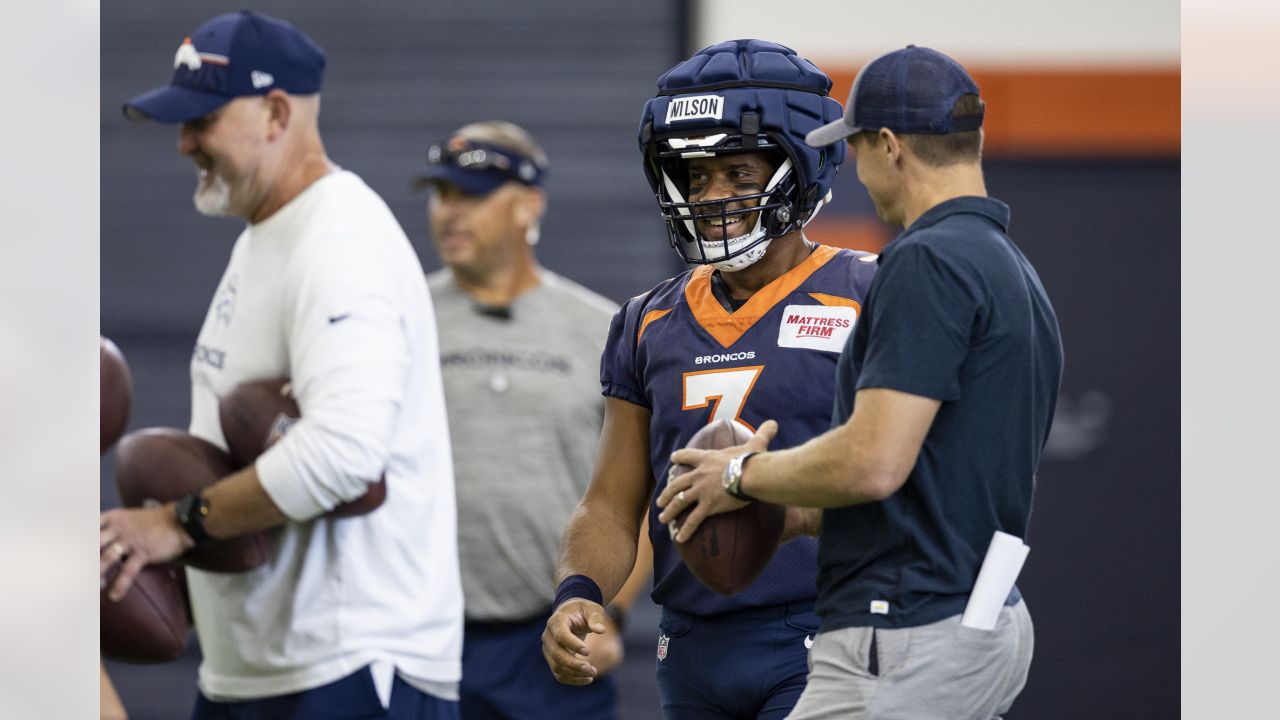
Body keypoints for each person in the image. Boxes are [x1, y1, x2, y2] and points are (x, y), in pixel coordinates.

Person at [658, 45, 1064, 719]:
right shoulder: (1010, 266)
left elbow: (874, 462)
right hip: (981, 612)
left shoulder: (924, 259)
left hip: (906, 627)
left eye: (855, 148)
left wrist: (739, 475)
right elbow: (940, 477)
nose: (852, 167)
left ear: (888, 145)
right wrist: (795, 515)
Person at [97, 11, 463, 719]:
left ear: (275, 112)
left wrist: (178, 521)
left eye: (201, 120)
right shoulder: (267, 237)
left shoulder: (341, 242)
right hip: (259, 673)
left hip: (350, 666)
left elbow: (345, 454)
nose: (183, 144)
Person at [541, 40, 878, 719]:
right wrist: (579, 590)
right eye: (696, 178)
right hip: (693, 645)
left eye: (736, 172)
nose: (711, 196)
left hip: (830, 625)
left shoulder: (870, 292)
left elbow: (897, 471)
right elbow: (611, 501)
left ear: (798, 168)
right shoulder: (647, 320)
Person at [416, 120, 652, 719]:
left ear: (528, 205)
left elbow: (635, 493)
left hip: (548, 644)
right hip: (416, 638)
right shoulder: (399, 317)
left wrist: (610, 612)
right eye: (441, 194)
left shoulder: (603, 329)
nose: (448, 212)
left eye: (470, 195)